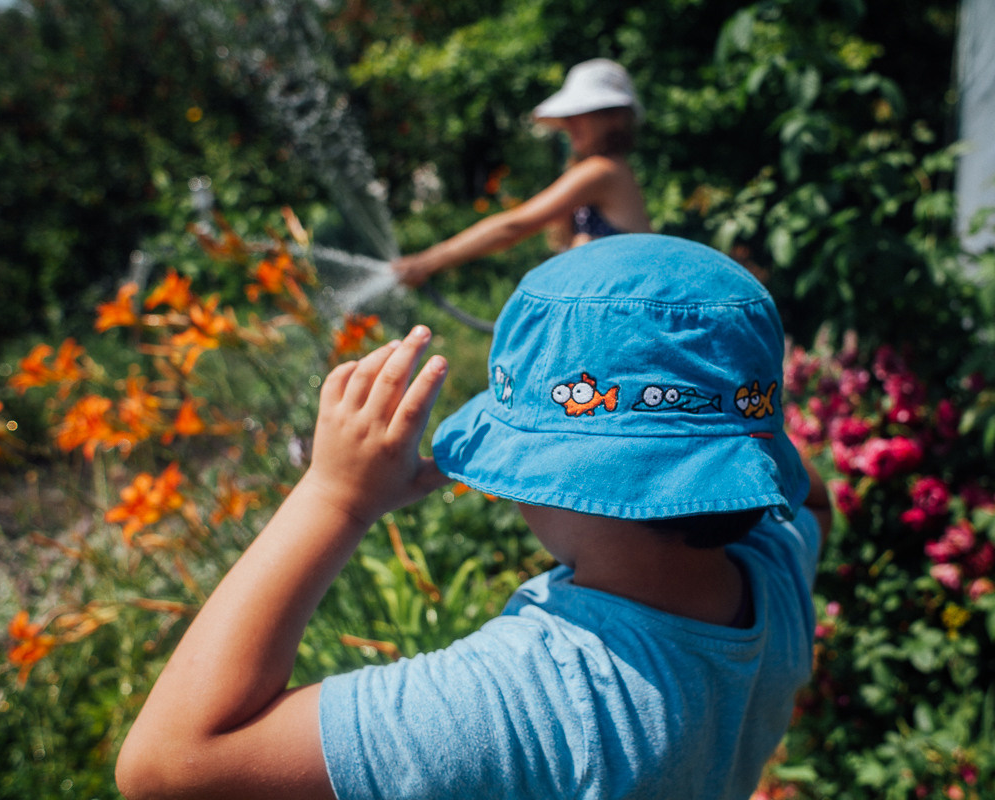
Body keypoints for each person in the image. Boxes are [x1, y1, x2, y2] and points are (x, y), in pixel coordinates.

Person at [115, 233, 832, 800]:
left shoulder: (537, 697)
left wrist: (334, 497)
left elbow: (168, 763)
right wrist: (723, 428)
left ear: (555, 474)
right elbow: (812, 500)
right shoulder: (775, 574)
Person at [391, 58, 652, 288]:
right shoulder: (606, 169)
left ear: (615, 118)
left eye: (583, 113)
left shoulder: (603, 171)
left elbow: (513, 226)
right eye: (570, 115)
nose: (570, 122)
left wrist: (426, 263)